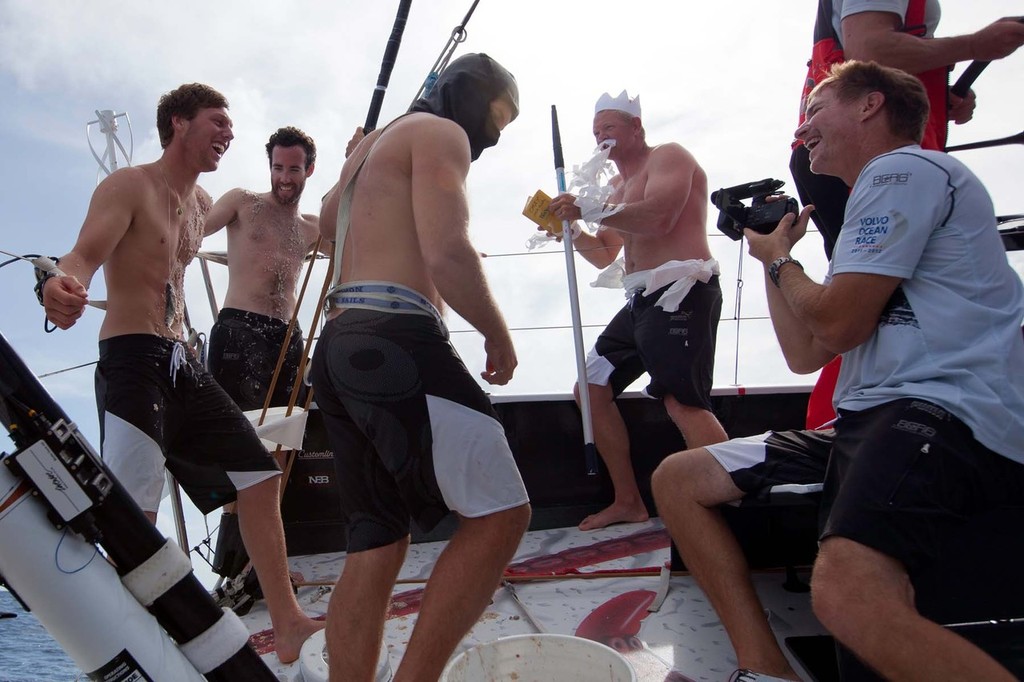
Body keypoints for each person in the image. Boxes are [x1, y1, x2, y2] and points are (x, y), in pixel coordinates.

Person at [652, 60, 1024, 681]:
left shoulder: (904, 169)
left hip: (937, 409)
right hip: (867, 419)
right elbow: (807, 352)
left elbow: (840, 324)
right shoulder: (874, 205)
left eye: (816, 109)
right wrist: (775, 250)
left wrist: (779, 267)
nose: (803, 128)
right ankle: (765, 666)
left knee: (850, 597)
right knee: (680, 479)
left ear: (869, 105)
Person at [39, 83, 323, 664]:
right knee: (134, 514)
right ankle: (132, 643)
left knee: (260, 475)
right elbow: (83, 255)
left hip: (181, 362)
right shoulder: (130, 186)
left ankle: (288, 623)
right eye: (217, 122)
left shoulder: (199, 205)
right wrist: (60, 284)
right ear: (178, 124)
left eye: (230, 125)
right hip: (133, 360)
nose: (228, 133)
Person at [310, 53, 531, 682]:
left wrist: (354, 158)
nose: (495, 132)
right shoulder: (441, 133)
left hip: (337, 346)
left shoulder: (373, 148)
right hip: (395, 339)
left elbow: (327, 227)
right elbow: (447, 251)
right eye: (498, 114)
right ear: (471, 97)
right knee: (500, 514)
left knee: (377, 541)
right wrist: (497, 334)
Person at [792, 1, 1024, 431]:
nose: (802, 127)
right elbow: (870, 48)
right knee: (859, 307)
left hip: (866, 161)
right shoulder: (902, 170)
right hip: (870, 156)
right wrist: (978, 44)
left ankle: (843, 423)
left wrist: (941, 90)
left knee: (877, 297)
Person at [547, 91, 728, 531]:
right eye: (595, 132)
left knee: (682, 401)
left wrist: (588, 208)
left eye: (609, 128)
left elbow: (661, 217)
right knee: (589, 388)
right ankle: (628, 500)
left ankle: (731, 502)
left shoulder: (668, 156)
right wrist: (569, 228)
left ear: (635, 128)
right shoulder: (614, 189)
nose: (601, 137)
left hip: (681, 288)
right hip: (640, 301)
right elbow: (604, 254)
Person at [204, 126, 319, 413]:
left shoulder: (312, 227)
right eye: (277, 167)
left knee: (286, 438)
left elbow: (355, 242)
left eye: (294, 169)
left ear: (309, 170)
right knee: (236, 433)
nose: (284, 178)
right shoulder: (242, 202)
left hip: (288, 337)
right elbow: (195, 230)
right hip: (239, 329)